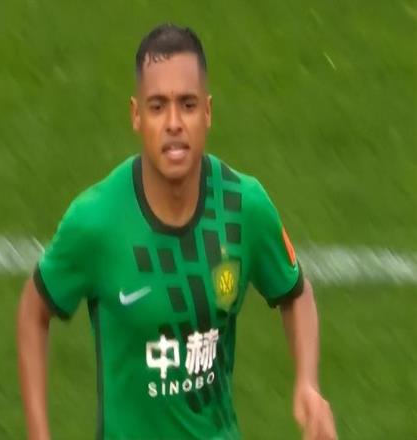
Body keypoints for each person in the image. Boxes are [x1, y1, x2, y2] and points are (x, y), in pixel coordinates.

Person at [17, 23, 337, 440]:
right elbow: (33, 310)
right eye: (157, 106)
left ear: (207, 112)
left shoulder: (244, 207)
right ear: (136, 116)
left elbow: (295, 293)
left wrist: (307, 382)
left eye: (187, 104)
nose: (173, 123)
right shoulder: (96, 222)